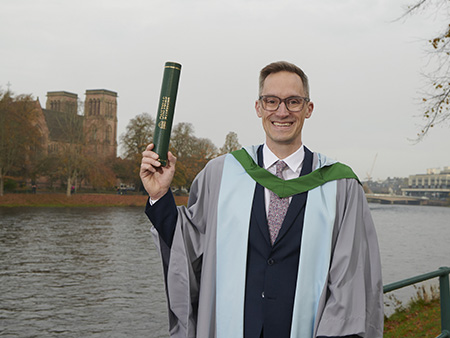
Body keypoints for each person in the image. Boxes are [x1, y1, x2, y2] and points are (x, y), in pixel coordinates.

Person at [140, 61, 383, 338]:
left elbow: (351, 282)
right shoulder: (221, 174)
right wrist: (159, 196)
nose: (282, 111)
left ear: (308, 109)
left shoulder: (340, 186)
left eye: (293, 101)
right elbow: (189, 247)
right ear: (258, 107)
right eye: (271, 101)